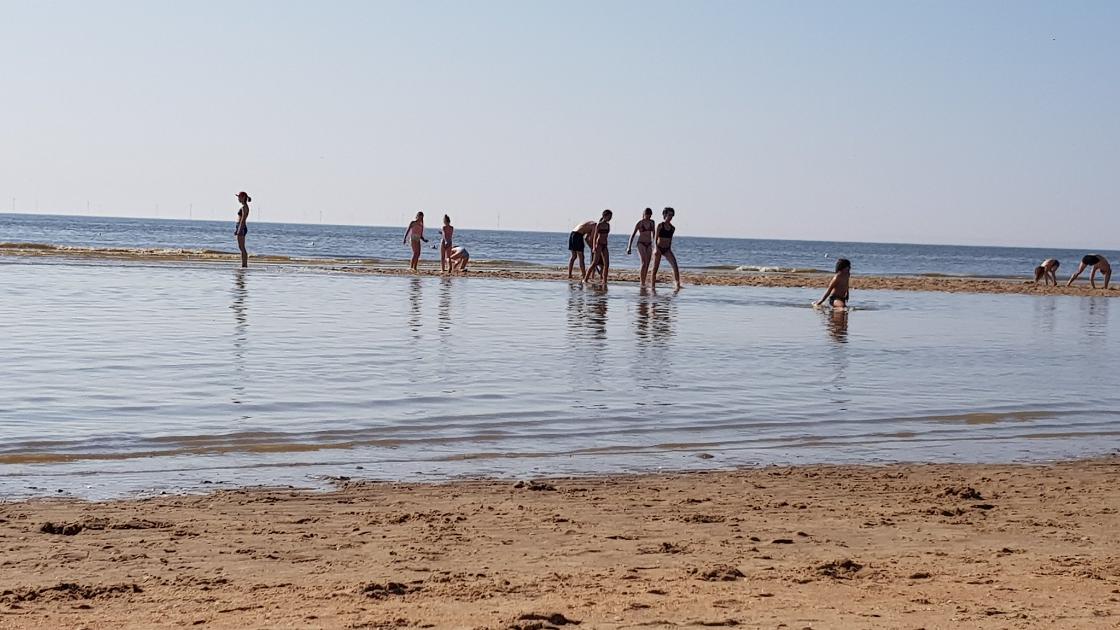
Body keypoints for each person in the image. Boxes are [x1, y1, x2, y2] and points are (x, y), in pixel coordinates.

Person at [650, 207, 682, 290]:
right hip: (659, 248)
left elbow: (670, 240)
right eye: (669, 215)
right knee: (655, 268)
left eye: (672, 215)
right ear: (665, 215)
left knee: (675, 266)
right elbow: (655, 239)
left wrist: (670, 249)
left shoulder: (672, 228)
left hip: (667, 249)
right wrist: (656, 248)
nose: (670, 217)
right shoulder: (660, 225)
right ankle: (652, 287)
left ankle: (677, 285)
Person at [583, 209, 613, 287]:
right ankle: (585, 279)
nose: (610, 218)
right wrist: (593, 247)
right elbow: (595, 236)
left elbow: (606, 235)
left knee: (607, 264)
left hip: (605, 245)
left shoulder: (608, 225)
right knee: (594, 263)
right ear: (604, 216)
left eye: (611, 217)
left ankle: (604, 280)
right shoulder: (599, 225)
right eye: (609, 217)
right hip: (598, 244)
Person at [627, 208, 656, 286]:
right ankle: (642, 282)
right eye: (647, 215)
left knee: (648, 263)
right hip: (641, 244)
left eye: (650, 215)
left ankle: (644, 280)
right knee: (644, 262)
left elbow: (654, 235)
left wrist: (655, 245)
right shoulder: (640, 223)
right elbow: (632, 235)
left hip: (649, 244)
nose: (648, 216)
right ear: (644, 214)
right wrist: (629, 247)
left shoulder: (652, 222)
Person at [234, 191, 251, 268]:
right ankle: (244, 264)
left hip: (242, 226)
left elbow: (243, 219)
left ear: (243, 197)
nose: (238, 198)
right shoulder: (244, 207)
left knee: (242, 247)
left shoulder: (244, 207)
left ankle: (244, 265)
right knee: (241, 247)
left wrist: (239, 229)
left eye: (239, 197)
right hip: (240, 226)